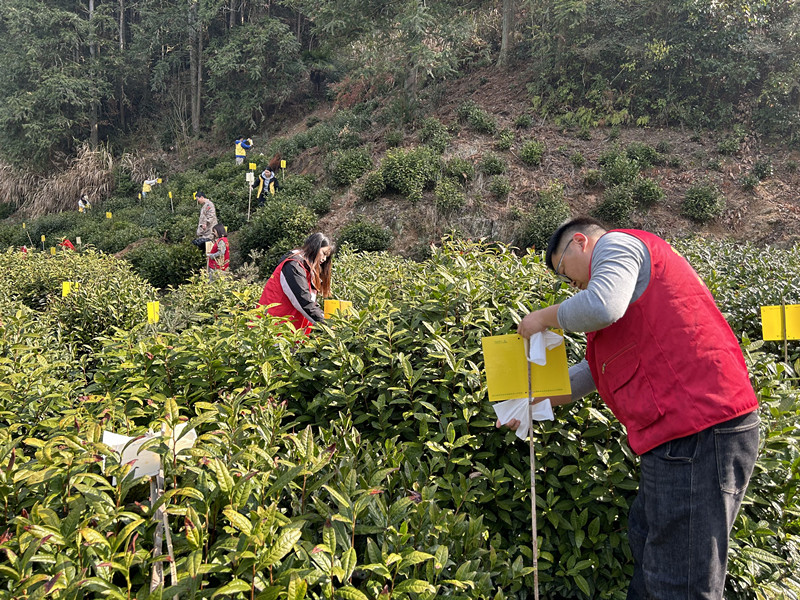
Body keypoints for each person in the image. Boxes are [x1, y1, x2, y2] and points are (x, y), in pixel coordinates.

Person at [499, 216, 759, 600]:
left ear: (579, 243)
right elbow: (595, 370)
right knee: (653, 551)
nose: (571, 285)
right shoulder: (621, 298)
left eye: (564, 273)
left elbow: (602, 305)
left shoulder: (617, 246)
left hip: (698, 428)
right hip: (680, 435)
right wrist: (530, 398)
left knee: (679, 581)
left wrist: (543, 316)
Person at [258, 232, 333, 334]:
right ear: (315, 246)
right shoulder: (293, 265)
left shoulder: (306, 268)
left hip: (288, 331)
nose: (324, 259)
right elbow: (303, 301)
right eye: (324, 253)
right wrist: (328, 325)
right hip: (274, 330)